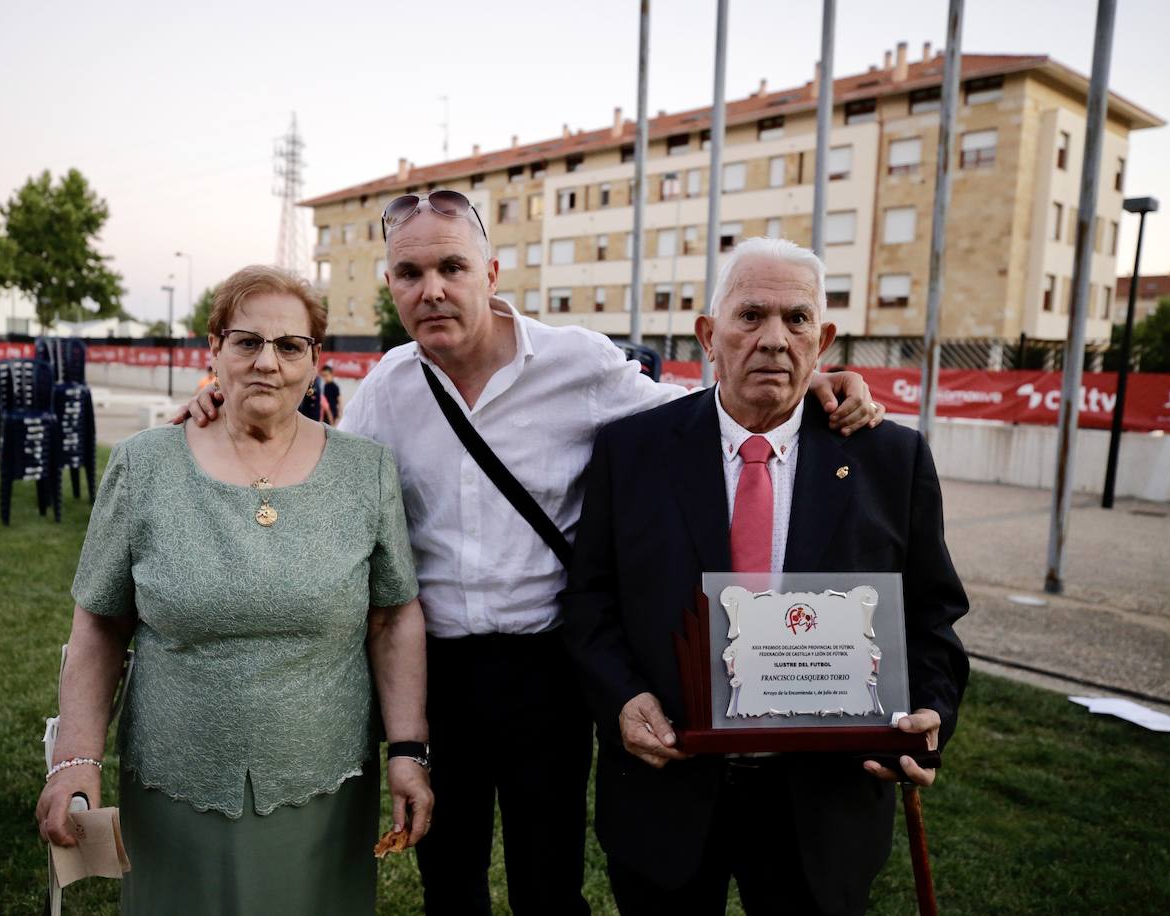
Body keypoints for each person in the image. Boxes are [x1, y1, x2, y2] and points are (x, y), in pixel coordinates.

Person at [182, 190, 884, 914]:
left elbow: (698, 418)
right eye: (410, 274)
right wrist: (220, 408)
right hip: (437, 673)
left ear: (490, 274)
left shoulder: (577, 363)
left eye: (452, 267)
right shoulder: (388, 388)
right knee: (449, 883)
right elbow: (318, 471)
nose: (432, 290)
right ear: (390, 285)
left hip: (549, 671)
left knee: (548, 885)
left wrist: (806, 384)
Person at [562, 237, 970, 914]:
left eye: (797, 319)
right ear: (708, 336)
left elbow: (931, 617)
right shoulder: (631, 451)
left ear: (823, 340)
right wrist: (623, 698)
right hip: (667, 793)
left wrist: (932, 711)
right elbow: (589, 602)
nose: (775, 339)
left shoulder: (891, 461)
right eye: (751, 315)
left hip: (822, 807)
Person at [37, 266, 433, 914]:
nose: (266, 363)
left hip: (326, 786)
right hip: (174, 785)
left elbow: (393, 619)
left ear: (315, 360)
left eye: (289, 345)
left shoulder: (367, 471)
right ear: (214, 349)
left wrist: (409, 751)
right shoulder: (144, 465)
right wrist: (76, 758)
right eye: (247, 342)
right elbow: (99, 624)